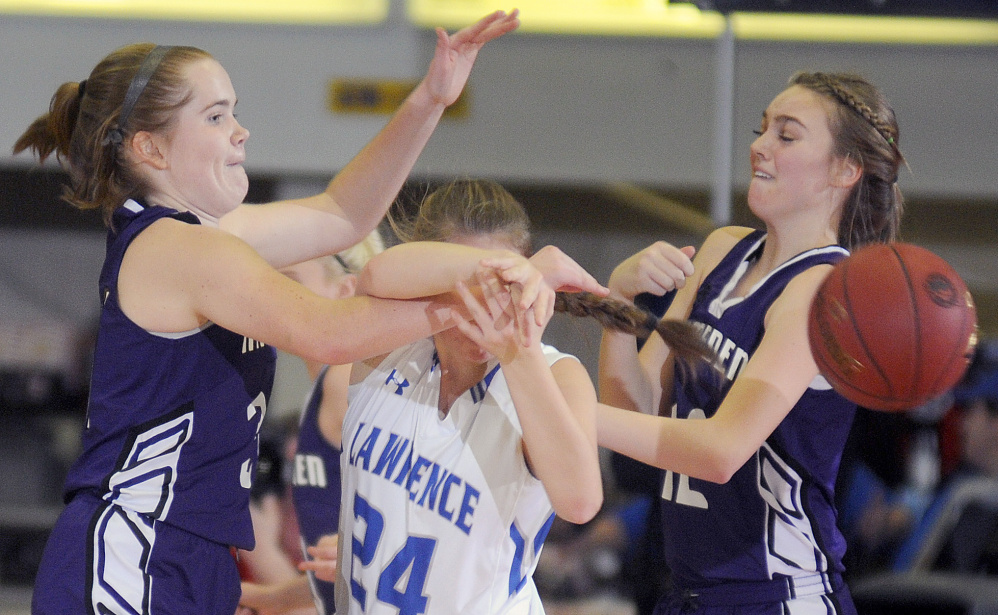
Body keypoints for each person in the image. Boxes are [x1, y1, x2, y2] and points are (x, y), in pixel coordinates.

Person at [14, 13, 531, 614]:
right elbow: (329, 331)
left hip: (188, 552)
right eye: (215, 116)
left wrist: (430, 98)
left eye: (233, 111)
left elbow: (343, 213)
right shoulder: (178, 248)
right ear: (149, 147)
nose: (241, 131)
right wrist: (469, 300)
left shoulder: (208, 236)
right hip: (136, 545)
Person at [294, 178, 713, 615]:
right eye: (472, 282)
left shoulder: (553, 372)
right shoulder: (385, 349)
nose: (490, 305)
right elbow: (378, 273)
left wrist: (519, 351)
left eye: (506, 285)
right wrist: (501, 271)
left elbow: (580, 500)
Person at [597, 72, 905, 614]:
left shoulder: (824, 291)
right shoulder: (722, 251)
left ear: (845, 169)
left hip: (778, 596)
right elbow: (636, 410)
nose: (759, 146)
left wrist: (563, 412)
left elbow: (719, 452)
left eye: (786, 136)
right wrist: (618, 305)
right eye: (761, 129)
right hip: (691, 592)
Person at [239, 232, 386, 615]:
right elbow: (338, 569)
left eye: (289, 284)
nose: (272, 299)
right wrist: (274, 599)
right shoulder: (329, 385)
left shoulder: (345, 380)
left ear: (345, 290)